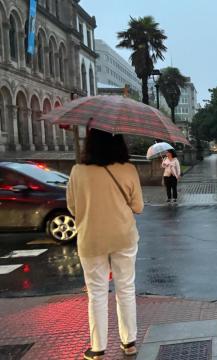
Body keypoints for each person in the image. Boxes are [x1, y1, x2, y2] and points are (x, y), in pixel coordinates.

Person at [67, 128, 144, 359]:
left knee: (97, 293)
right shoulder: (128, 169)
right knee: (126, 289)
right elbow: (138, 207)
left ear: (89, 143)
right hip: (123, 236)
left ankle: (98, 347)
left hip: (91, 239)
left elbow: (72, 206)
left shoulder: (78, 171)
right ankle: (129, 342)